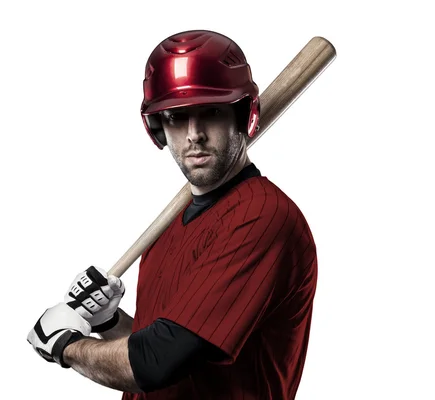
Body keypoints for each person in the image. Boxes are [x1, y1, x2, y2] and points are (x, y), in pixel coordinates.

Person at [27, 29, 318, 399]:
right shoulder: (167, 228)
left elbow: (156, 361)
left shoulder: (262, 218)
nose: (194, 134)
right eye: (178, 117)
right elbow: (166, 351)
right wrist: (109, 322)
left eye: (210, 112)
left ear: (243, 115)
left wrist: (65, 346)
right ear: (158, 128)